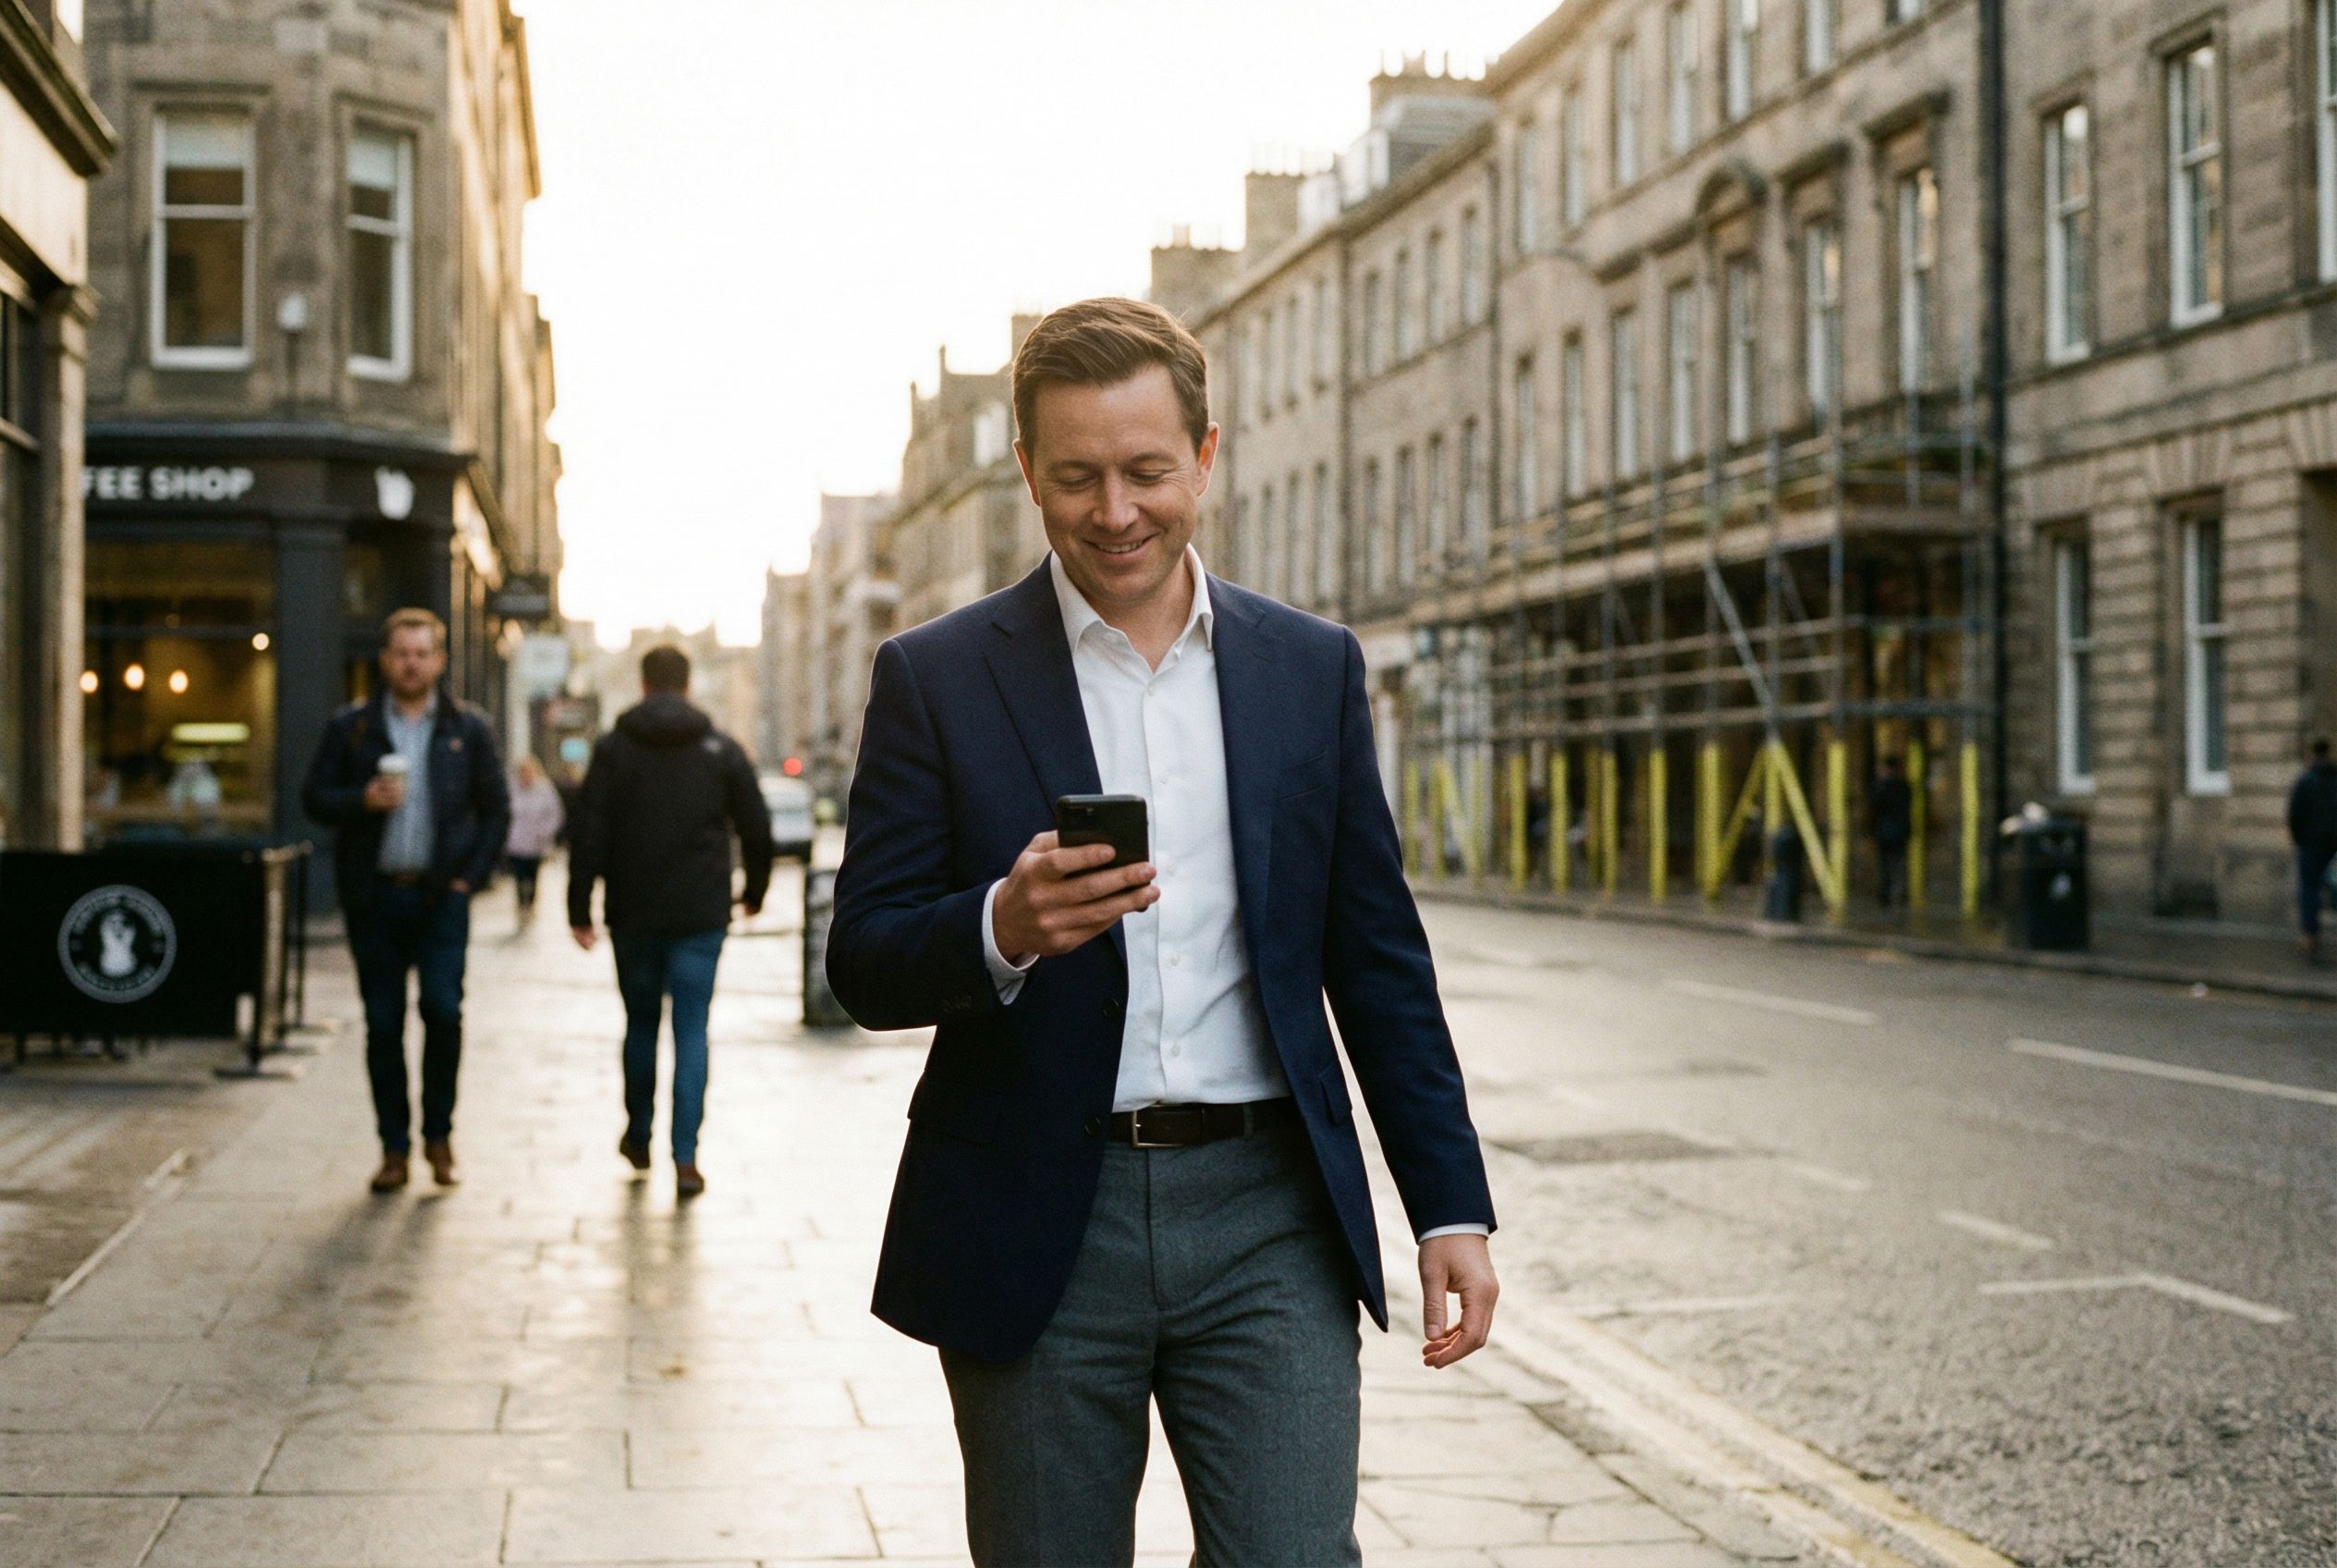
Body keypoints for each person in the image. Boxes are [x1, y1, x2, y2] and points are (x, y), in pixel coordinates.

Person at [827, 298, 1498, 1567]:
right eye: (1075, 477)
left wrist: (1447, 1204)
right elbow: (861, 957)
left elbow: (1378, 961)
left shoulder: (1309, 668)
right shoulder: (939, 675)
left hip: (1267, 1215)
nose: (1115, 511)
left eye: (1146, 471)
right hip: (1037, 1216)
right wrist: (1000, 927)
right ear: (1027, 470)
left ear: (1205, 455)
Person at [301, 608, 509, 1192]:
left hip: (442, 898)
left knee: (443, 1011)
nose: (412, 663)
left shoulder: (468, 729)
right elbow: (314, 796)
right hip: (376, 897)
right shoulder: (352, 728)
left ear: (439, 661)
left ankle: (438, 1137)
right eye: (401, 653)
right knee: (383, 1023)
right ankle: (393, 1149)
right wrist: (360, 800)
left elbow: (496, 808)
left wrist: (471, 877)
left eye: (422, 653)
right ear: (386, 660)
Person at [568, 644, 773, 1198]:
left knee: (639, 1026)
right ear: (687, 686)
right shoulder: (719, 749)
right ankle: (686, 1158)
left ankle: (638, 1134)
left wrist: (578, 905)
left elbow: (589, 828)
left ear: (642, 683)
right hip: (701, 914)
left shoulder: (613, 749)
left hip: (632, 912)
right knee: (691, 1030)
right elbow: (756, 825)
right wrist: (753, 890)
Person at [2286, 738, 2337, 960]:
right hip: (2333, 845)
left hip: (2311, 844)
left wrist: (2300, 839)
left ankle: (2310, 936)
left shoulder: (2305, 781)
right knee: (2332, 886)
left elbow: (2294, 816)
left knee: (2309, 889)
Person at [504, 754, 565, 923]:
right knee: (519, 876)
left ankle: (530, 903)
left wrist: (544, 832)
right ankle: (521, 904)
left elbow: (555, 814)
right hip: (516, 843)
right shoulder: (511, 789)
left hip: (535, 842)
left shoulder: (544, 789)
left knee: (532, 876)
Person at [1870, 754, 1915, 910]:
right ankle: (1899, 894)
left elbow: (1874, 807)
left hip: (1886, 831)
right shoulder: (1903, 786)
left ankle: (1888, 895)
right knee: (1898, 864)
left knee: (1887, 865)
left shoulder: (1882, 786)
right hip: (1898, 830)